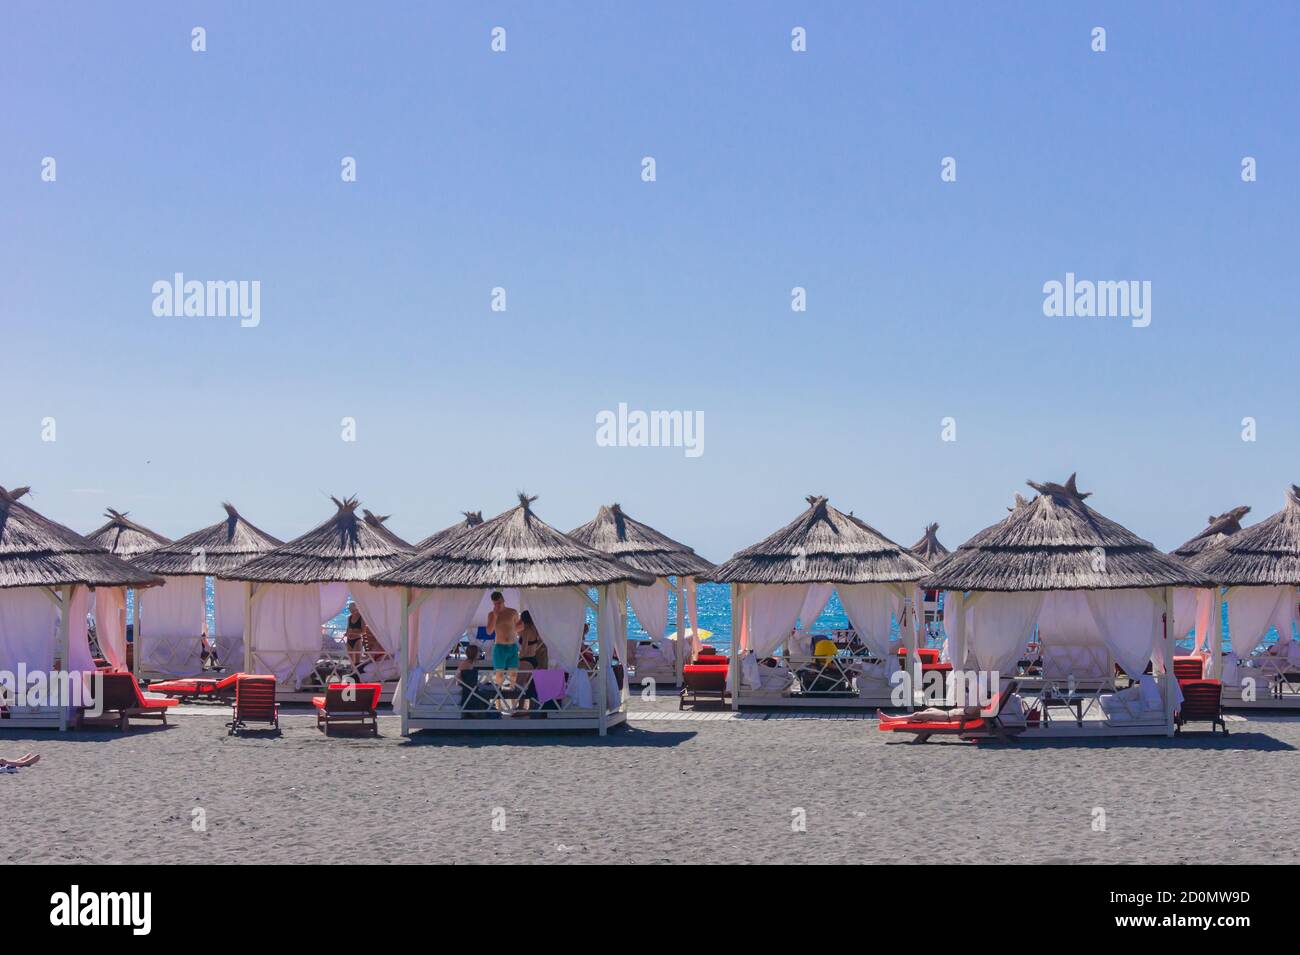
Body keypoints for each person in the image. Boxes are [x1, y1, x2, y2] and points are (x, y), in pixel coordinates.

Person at [486, 592, 520, 698]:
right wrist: (495, 616)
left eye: (499, 602)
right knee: (499, 675)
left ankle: (513, 697)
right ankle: (498, 701)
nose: (498, 605)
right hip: (499, 646)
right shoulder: (491, 614)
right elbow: (489, 632)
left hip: (512, 646)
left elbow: (519, 627)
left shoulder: (513, 612)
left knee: (514, 674)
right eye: (495, 604)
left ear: (503, 600)